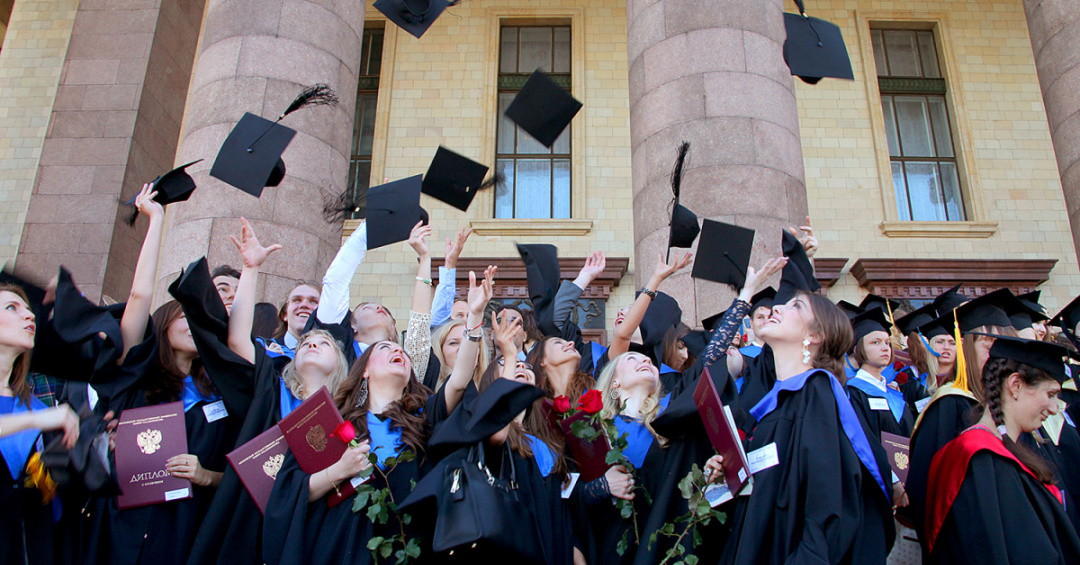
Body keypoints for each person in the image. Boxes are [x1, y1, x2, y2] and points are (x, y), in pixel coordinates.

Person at [183, 219, 350, 565]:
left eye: (323, 341)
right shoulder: (271, 389)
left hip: (318, 528)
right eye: (307, 341)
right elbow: (236, 339)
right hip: (253, 521)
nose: (313, 342)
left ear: (341, 362)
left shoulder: (349, 413)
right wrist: (250, 269)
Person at [721, 291, 893, 564]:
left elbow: (825, 505)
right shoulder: (781, 401)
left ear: (815, 336)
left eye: (795, 306)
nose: (778, 307)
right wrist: (728, 474)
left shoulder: (816, 393)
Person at [263, 340, 433, 565]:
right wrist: (339, 470)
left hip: (408, 547)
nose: (397, 350)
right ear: (364, 370)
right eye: (384, 347)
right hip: (341, 545)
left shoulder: (425, 424)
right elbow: (289, 492)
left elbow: (458, 385)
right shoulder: (330, 423)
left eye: (402, 350)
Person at [925, 337, 1080, 564]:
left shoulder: (1000, 452)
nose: (1055, 408)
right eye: (1050, 394)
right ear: (1015, 385)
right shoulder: (983, 459)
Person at [0, 284, 80, 565]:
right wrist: (34, 420)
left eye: (29, 309)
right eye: (12, 307)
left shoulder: (39, 408)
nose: (30, 316)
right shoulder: (38, 415)